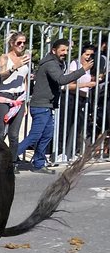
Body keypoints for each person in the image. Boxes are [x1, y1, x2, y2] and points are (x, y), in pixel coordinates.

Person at [17, 38, 92, 172]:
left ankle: (39, 164)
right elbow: (62, 80)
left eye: (67, 50)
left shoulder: (57, 63)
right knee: (35, 135)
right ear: (53, 50)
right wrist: (83, 70)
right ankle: (8, 159)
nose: (65, 53)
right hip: (41, 106)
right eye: (62, 50)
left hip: (47, 105)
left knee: (47, 135)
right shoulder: (51, 64)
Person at [0, 31, 31, 154]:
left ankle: (12, 162)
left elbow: (25, 81)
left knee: (14, 135)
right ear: (12, 43)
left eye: (24, 43)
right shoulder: (4, 58)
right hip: (3, 96)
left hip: (19, 98)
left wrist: (25, 102)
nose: (22, 45)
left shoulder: (26, 58)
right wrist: (13, 68)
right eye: (19, 43)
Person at [63, 44, 101, 147]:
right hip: (73, 98)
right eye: (86, 54)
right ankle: (63, 150)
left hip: (84, 98)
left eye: (91, 55)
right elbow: (69, 85)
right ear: (81, 53)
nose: (88, 57)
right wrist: (87, 84)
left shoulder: (90, 66)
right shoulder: (75, 64)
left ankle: (73, 149)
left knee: (79, 126)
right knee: (68, 125)